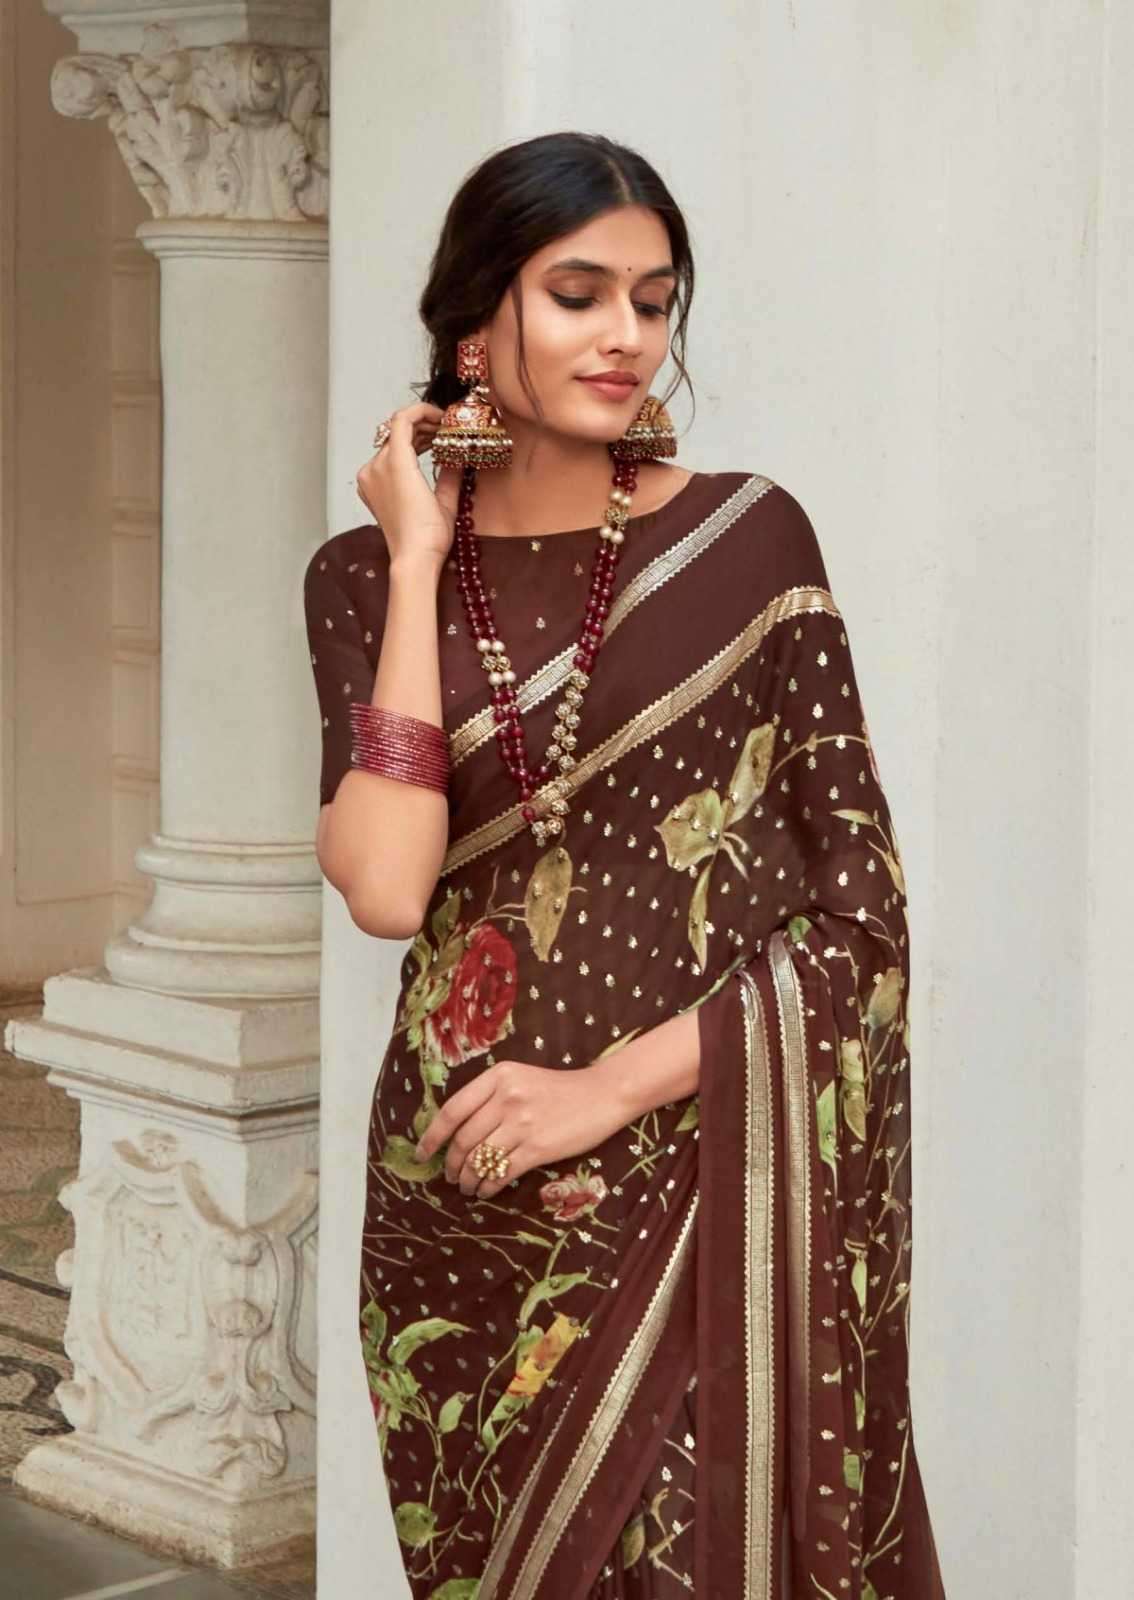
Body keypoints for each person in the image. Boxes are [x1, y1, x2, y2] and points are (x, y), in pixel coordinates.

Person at [304, 130, 945, 1600]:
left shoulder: (746, 543)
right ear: (474, 322)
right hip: (461, 1203)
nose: (626, 337)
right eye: (578, 293)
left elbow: (859, 917)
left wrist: (603, 1089)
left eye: (653, 302)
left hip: (689, 1176)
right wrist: (417, 559)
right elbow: (388, 891)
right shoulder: (361, 578)